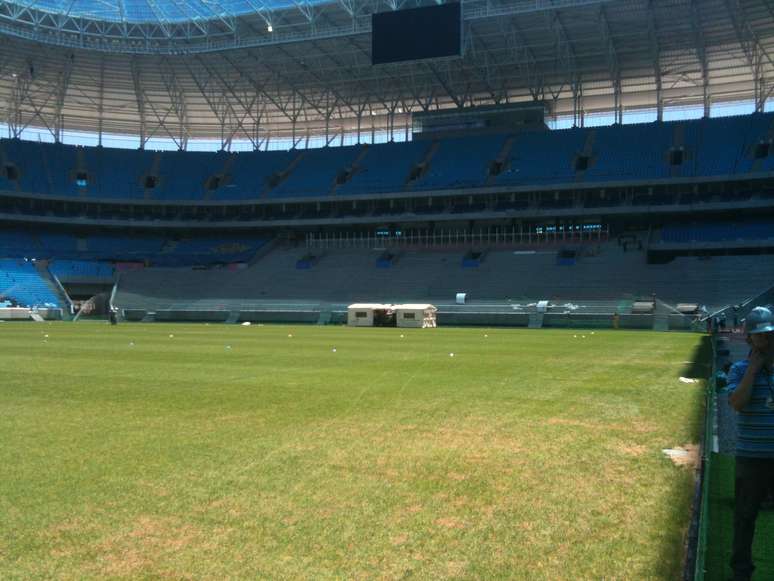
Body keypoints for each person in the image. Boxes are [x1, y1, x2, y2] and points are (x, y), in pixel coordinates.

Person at [727, 306, 774, 581]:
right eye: (759, 336)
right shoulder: (740, 368)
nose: (766, 341)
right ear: (749, 339)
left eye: (769, 334)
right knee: (745, 518)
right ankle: (741, 571)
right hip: (751, 457)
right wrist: (754, 371)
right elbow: (737, 404)